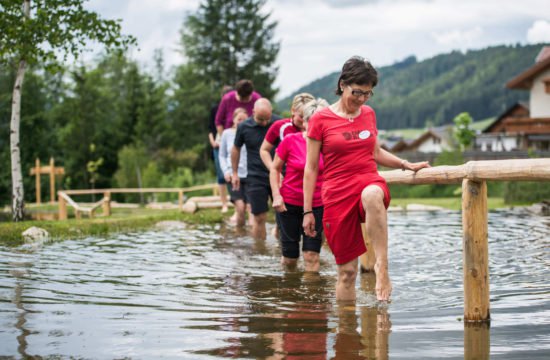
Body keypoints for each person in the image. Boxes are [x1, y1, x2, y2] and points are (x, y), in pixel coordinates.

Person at [303, 56, 430, 302]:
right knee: (347, 273)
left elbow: (376, 152)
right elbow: (310, 168)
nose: (361, 99)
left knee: (372, 194)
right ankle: (347, 332)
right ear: (342, 85)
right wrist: (308, 211)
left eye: (368, 94)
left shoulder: (369, 114)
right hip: (337, 194)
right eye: (357, 92)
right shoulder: (320, 119)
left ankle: (382, 267)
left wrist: (405, 164)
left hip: (367, 181)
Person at [270, 98, 329, 272]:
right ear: (305, 122)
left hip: (318, 204)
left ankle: (311, 297)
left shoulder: (329, 146)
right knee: (290, 259)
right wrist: (276, 195)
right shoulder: (290, 140)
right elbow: (275, 169)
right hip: (289, 204)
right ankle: (290, 293)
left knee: (311, 256)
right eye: (313, 122)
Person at [231, 98, 275, 240]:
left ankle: (282, 250)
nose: (264, 123)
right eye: (260, 119)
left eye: (266, 119)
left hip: (279, 175)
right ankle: (260, 252)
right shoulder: (244, 127)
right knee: (259, 217)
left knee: (283, 216)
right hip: (256, 177)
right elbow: (236, 149)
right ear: (253, 112)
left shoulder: (279, 123)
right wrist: (235, 173)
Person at [259, 92, 315, 171]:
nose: (304, 120)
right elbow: (264, 150)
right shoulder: (279, 126)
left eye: (308, 116)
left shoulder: (316, 128)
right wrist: (273, 170)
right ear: (293, 110)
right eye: (301, 116)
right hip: (286, 177)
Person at [219, 108, 250, 226]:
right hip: (233, 175)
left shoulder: (250, 132)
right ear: (233, 120)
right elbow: (222, 155)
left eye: (245, 120)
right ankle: (240, 236)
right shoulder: (227, 133)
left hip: (250, 175)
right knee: (241, 207)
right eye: (239, 119)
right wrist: (226, 171)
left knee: (252, 209)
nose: (242, 122)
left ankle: (255, 242)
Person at [209, 85, 233, 213]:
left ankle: (235, 200)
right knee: (221, 175)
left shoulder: (235, 110)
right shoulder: (215, 109)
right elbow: (211, 129)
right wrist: (213, 142)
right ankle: (224, 203)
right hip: (218, 144)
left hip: (233, 144)